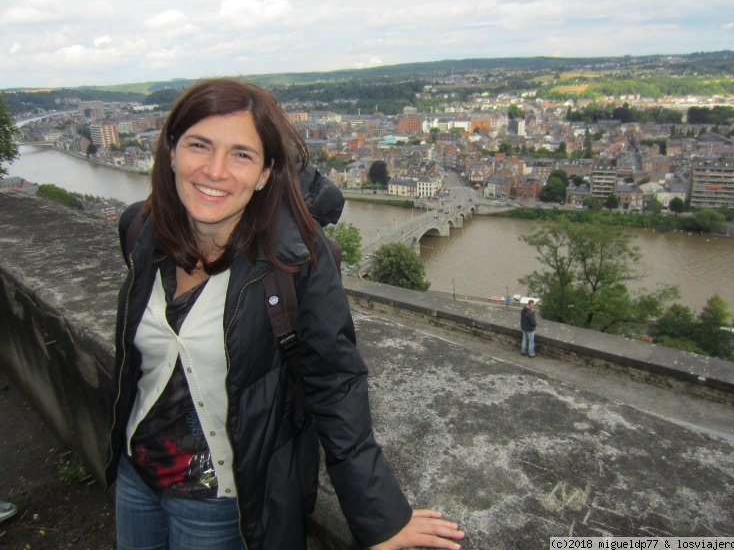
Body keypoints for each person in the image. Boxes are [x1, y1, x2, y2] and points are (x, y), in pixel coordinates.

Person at [105, 79, 465, 550]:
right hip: (135, 475)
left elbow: (334, 383)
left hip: (224, 502)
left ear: (264, 172)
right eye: (199, 145)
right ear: (171, 151)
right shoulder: (141, 229)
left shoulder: (295, 258)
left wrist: (382, 518)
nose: (215, 171)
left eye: (241, 154)